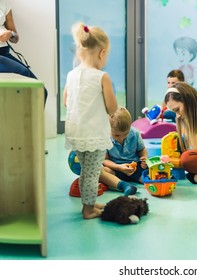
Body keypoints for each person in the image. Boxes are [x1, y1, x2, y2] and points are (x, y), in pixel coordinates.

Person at [63, 22, 117, 219]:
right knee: (93, 173)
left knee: (86, 171)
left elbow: (66, 101)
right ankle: (88, 209)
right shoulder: (102, 77)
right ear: (102, 53)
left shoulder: (71, 74)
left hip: (77, 132)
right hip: (94, 133)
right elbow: (112, 108)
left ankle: (89, 203)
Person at [0, 0, 47, 105]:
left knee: (42, 91)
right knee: (24, 73)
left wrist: (10, 34)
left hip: (4, 52)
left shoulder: (4, 4)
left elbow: (16, 38)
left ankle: (32, 120)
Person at [99, 106, 148, 195]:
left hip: (135, 167)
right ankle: (124, 185)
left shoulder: (135, 133)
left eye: (125, 134)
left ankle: (145, 179)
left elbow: (142, 149)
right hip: (115, 168)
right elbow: (105, 159)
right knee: (99, 172)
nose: (122, 137)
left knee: (151, 172)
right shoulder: (104, 137)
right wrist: (119, 167)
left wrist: (144, 158)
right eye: (117, 135)